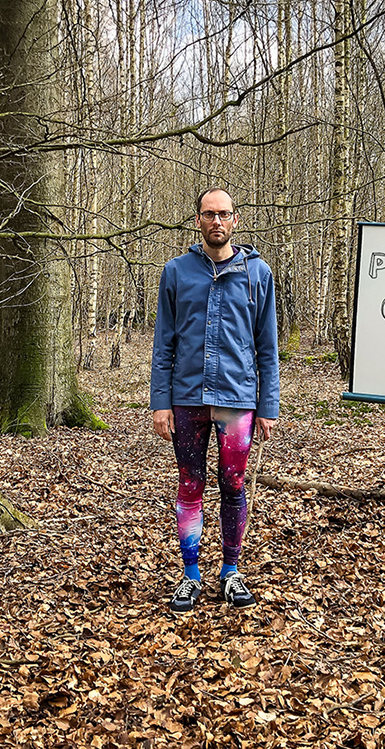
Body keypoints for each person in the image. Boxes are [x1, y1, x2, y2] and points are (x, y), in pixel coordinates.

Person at [150, 187, 280, 613]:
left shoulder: (257, 274)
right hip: (187, 397)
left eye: (224, 214)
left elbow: (267, 346)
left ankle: (230, 571)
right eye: (209, 214)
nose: (216, 222)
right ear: (198, 220)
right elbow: (164, 343)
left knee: (233, 485)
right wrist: (160, 401)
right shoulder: (177, 272)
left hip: (237, 398)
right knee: (190, 485)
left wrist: (268, 405)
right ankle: (190, 576)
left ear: (235, 220)